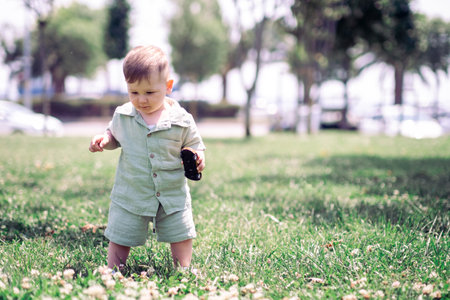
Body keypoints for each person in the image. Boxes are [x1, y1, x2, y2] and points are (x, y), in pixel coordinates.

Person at [89, 45, 206, 272]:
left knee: (180, 232)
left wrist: (198, 158)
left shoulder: (181, 119)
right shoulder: (123, 116)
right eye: (134, 92)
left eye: (150, 92)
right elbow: (114, 136)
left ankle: (183, 268)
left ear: (168, 87)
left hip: (172, 193)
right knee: (121, 233)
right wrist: (104, 140)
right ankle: (114, 269)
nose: (141, 99)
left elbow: (195, 145)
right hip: (132, 190)